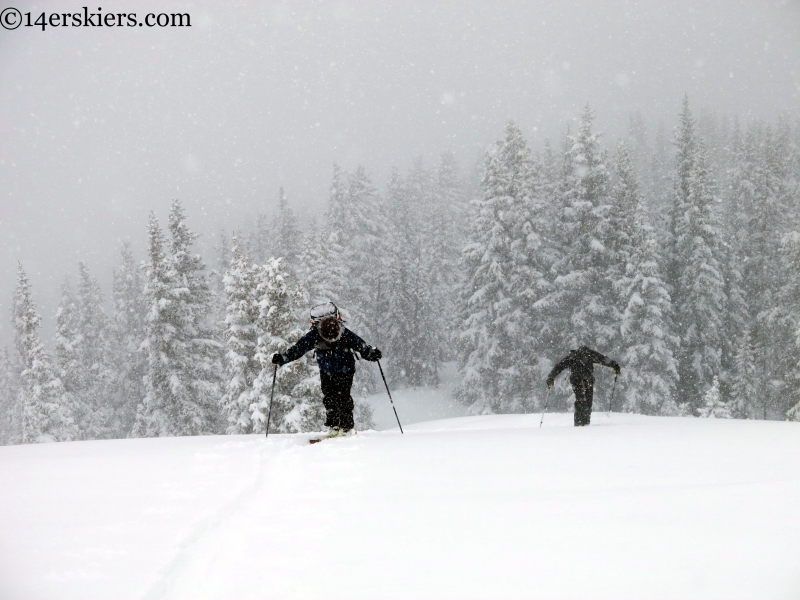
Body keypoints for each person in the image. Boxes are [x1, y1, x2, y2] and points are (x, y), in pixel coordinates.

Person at [271, 302, 381, 436]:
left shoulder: (345, 334)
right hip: (326, 371)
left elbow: (361, 347)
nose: (331, 341)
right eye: (328, 340)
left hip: (346, 370)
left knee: (343, 397)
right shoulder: (314, 335)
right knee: (329, 397)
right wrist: (282, 358)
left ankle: (346, 428)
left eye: (333, 339)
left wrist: (371, 354)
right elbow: (298, 349)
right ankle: (334, 426)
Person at [546, 346, 621, 427]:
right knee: (587, 403)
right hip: (587, 381)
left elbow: (559, 366)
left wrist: (551, 377)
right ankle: (585, 423)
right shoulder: (590, 354)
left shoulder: (573, 356)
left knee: (581, 401)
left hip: (577, 381)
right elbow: (603, 359)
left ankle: (579, 423)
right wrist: (615, 365)